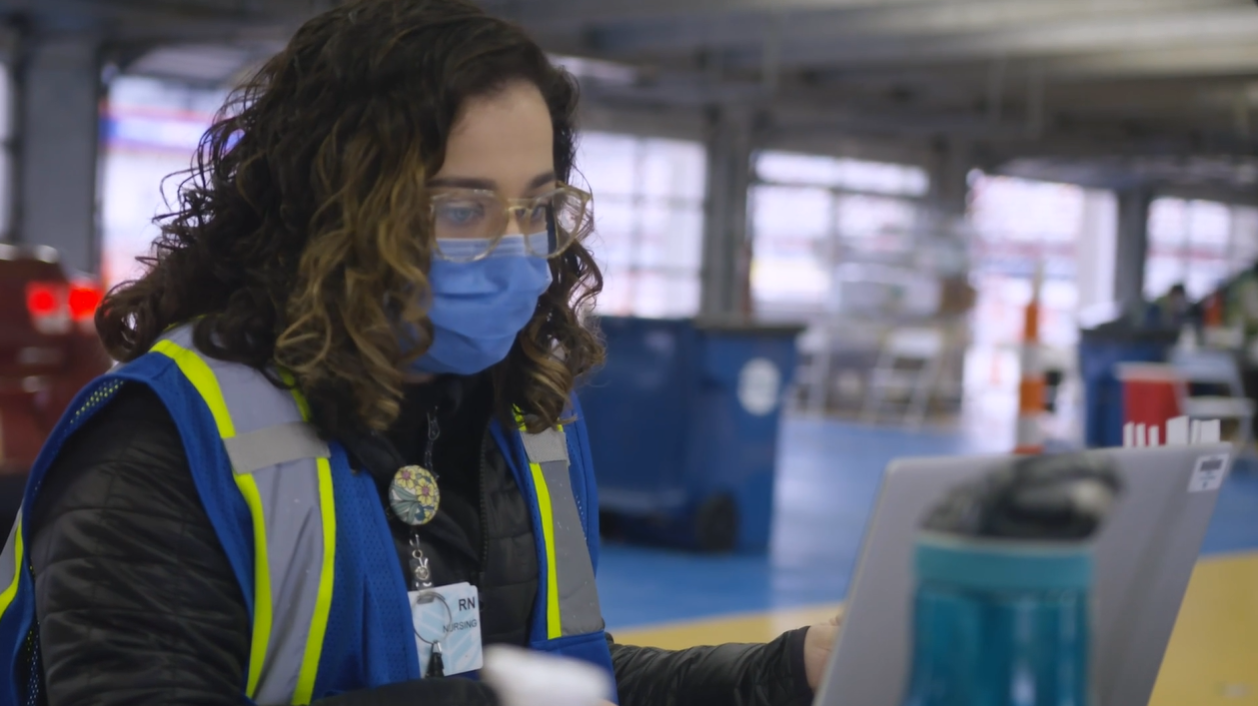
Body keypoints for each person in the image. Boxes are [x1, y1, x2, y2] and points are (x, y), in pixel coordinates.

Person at [0, 2, 839, 705]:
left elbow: (564, 682)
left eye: (536, 207)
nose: (516, 247)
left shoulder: (528, 421)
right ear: (334, 208)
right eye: (462, 210)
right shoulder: (164, 446)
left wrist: (785, 671)